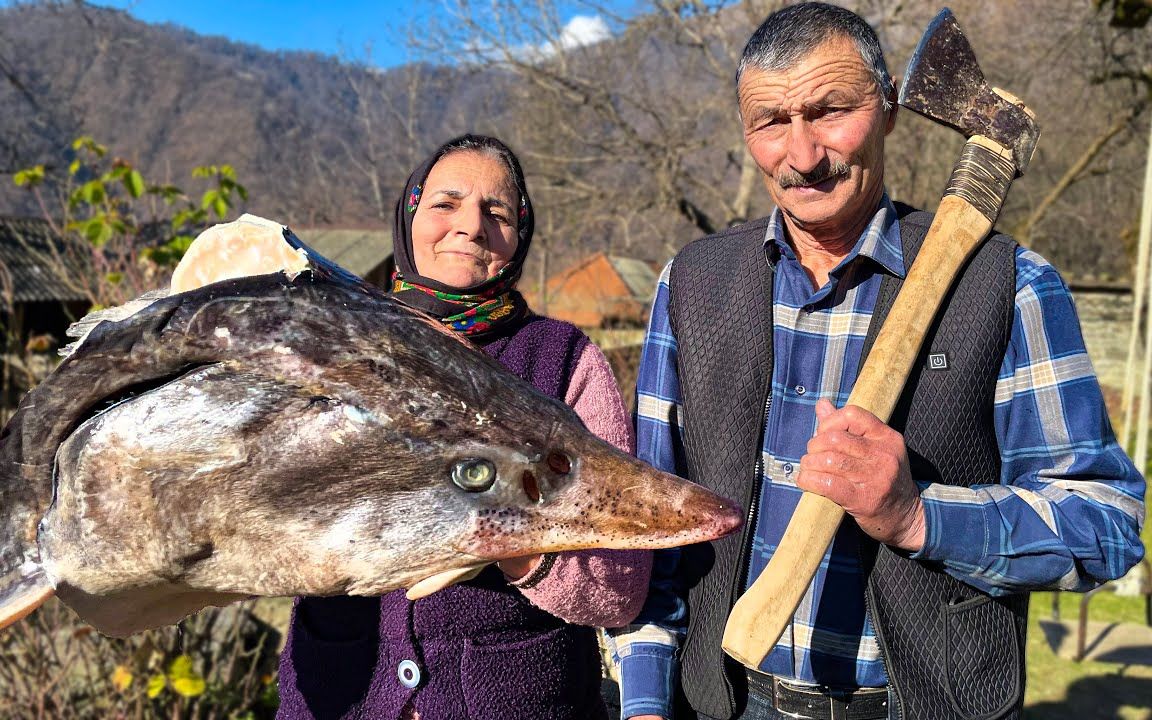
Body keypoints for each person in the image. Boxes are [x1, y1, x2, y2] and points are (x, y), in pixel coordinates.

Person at [611, 4, 1147, 720]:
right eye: (772, 121)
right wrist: (645, 704)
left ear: (890, 107)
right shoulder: (693, 284)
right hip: (729, 702)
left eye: (831, 110)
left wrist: (919, 516)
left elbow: (1106, 523)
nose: (802, 156)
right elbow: (653, 535)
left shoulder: (1009, 285)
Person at [276, 133, 652, 720]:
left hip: (516, 699)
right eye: (446, 204)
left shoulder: (562, 360)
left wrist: (515, 546)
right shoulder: (331, 340)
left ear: (520, 234)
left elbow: (618, 584)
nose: (471, 226)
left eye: (496, 212)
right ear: (409, 217)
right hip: (338, 688)